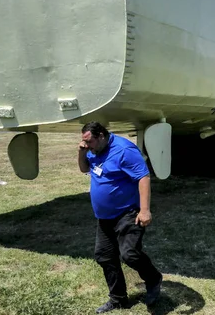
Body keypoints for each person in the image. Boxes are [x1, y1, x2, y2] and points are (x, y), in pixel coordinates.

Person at [78, 121, 163, 313]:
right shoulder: (93, 150)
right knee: (105, 257)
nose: (87, 146)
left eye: (89, 142)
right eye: (84, 142)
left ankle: (153, 279)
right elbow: (84, 169)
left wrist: (145, 210)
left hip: (127, 213)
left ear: (101, 136)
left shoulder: (124, 150)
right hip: (105, 217)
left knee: (130, 254)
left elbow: (143, 177)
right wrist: (81, 153)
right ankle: (118, 299)